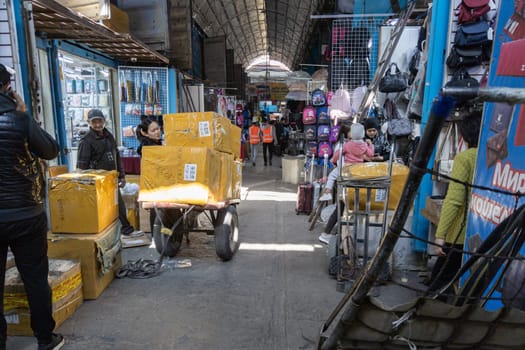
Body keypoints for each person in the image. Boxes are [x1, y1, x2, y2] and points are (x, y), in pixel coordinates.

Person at [0, 64, 64, 349]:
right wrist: (25, 114)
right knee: (35, 278)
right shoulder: (20, 120)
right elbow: (51, 149)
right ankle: (44, 339)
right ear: (7, 87)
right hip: (26, 213)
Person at [428, 112, 482, 296]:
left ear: (465, 135)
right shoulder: (495, 157)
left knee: (439, 283)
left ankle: (436, 321)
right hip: (485, 230)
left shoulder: (465, 158)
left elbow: (454, 200)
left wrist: (440, 234)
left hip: (460, 234)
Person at [77, 109, 143, 238]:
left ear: (104, 121)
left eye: (99, 121)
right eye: (94, 122)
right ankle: (105, 235)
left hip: (111, 180)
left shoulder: (109, 136)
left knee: (118, 205)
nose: (97, 124)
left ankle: (126, 230)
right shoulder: (86, 141)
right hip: (97, 184)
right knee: (101, 210)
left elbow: (116, 157)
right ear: (89, 123)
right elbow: (81, 166)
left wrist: (122, 175)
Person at [318, 123, 374, 244]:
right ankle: (340, 234)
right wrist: (371, 145)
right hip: (358, 175)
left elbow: (336, 156)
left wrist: (334, 161)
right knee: (350, 206)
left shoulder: (346, 145)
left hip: (347, 175)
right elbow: (371, 154)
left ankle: (330, 233)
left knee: (342, 205)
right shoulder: (364, 145)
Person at [135, 116, 162, 234]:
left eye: (158, 129)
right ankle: (155, 237)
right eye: (153, 130)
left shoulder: (156, 144)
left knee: (158, 211)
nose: (158, 132)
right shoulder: (147, 148)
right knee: (156, 211)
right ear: (145, 133)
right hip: (154, 184)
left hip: (159, 183)